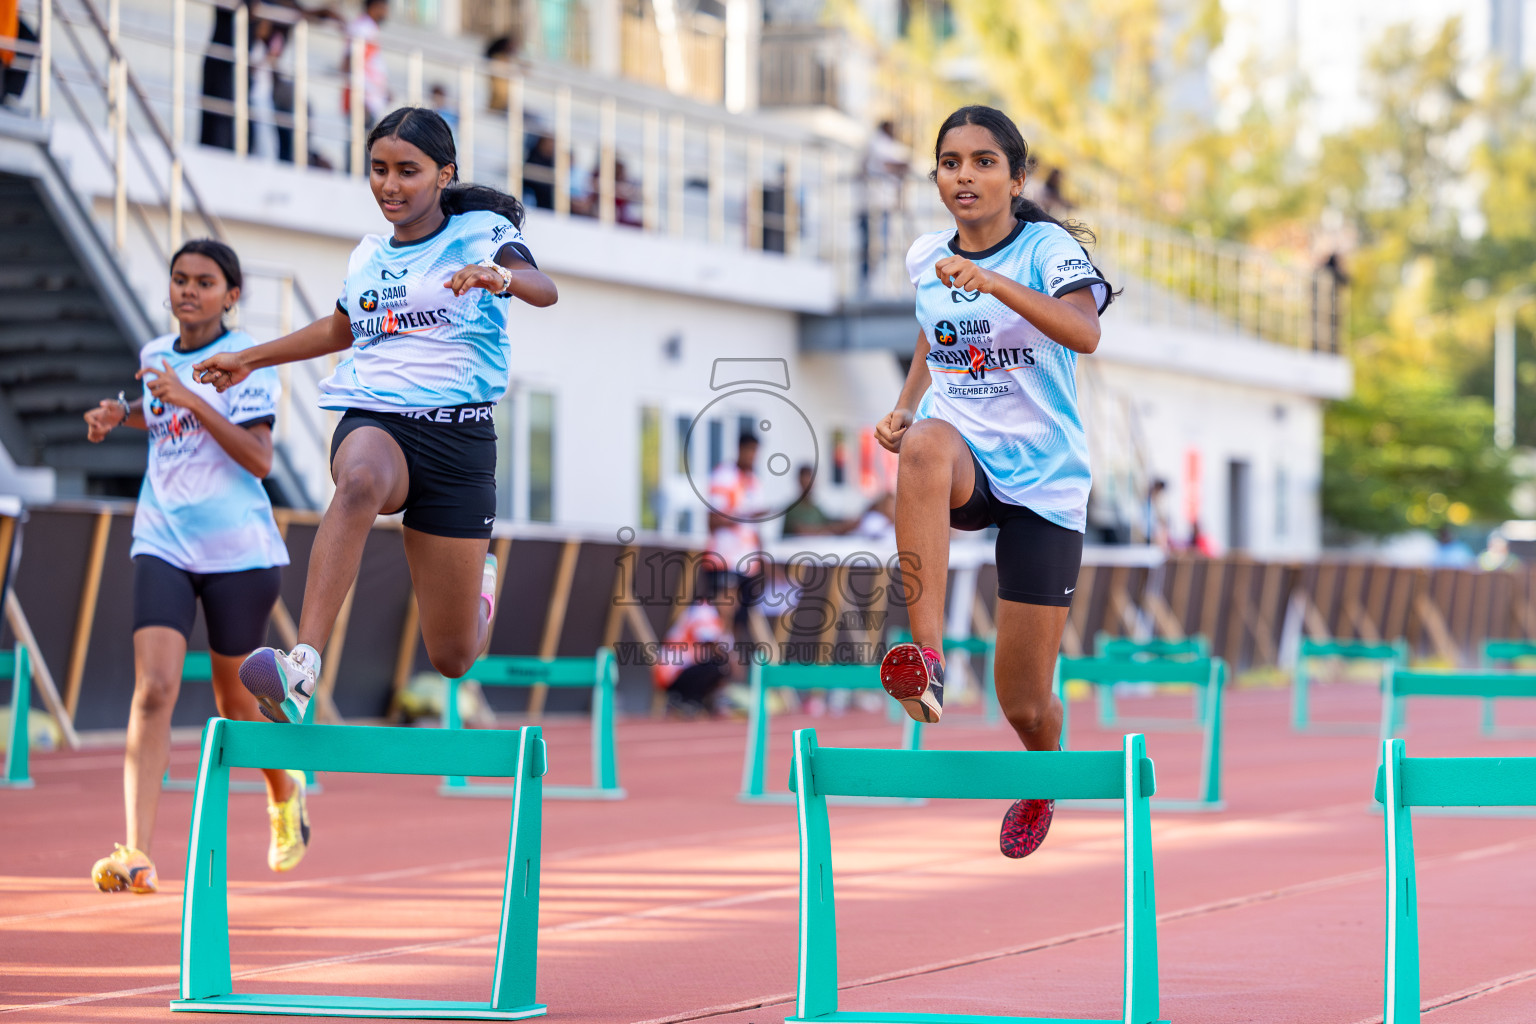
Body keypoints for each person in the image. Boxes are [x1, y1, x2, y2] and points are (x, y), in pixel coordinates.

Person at [193, 107, 557, 724]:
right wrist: (250, 358)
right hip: (378, 418)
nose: (390, 185)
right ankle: (301, 668)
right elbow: (342, 326)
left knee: (453, 656)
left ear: (444, 175)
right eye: (379, 170)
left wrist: (498, 277)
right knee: (357, 481)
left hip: (460, 439)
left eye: (407, 172)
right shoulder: (368, 257)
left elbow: (541, 286)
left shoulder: (479, 231)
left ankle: (480, 591)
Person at [874, 105, 1113, 860]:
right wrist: (906, 404)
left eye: (982, 162)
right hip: (967, 455)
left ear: (1015, 176)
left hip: (1043, 484)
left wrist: (995, 283)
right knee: (919, 449)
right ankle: (929, 660)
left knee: (1024, 700)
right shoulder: (925, 257)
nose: (964, 176)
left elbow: (1086, 333)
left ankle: (1044, 780)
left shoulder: (1045, 248)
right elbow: (931, 326)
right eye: (950, 162)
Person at [81, 240, 304, 894]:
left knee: (236, 704)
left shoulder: (248, 364)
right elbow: (161, 422)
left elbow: (259, 460)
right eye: (180, 279)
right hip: (163, 539)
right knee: (154, 688)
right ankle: (137, 853)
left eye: (204, 282)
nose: (188, 291)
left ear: (231, 295)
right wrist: (121, 415)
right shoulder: (154, 355)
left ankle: (284, 792)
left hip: (239, 552)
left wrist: (191, 397)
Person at [707, 432, 767, 632]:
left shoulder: (753, 481)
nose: (752, 456)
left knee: (740, 620)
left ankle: (732, 661)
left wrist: (762, 555)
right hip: (725, 559)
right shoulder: (724, 476)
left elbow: (756, 526)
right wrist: (745, 515)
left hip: (748, 563)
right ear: (740, 449)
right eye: (750, 451)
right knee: (723, 615)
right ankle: (723, 661)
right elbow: (713, 521)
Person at [859, 119, 909, 285]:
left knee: (881, 243)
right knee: (874, 243)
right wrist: (904, 165)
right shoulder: (878, 142)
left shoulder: (879, 143)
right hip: (875, 202)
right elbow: (886, 164)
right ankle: (871, 280)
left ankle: (874, 278)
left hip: (881, 201)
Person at [342, 0, 391, 137]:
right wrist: (359, 97)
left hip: (369, 99)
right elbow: (350, 63)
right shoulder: (363, 28)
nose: (386, 13)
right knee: (360, 147)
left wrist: (383, 90)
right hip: (363, 100)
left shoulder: (368, 28)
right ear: (374, 7)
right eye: (384, 8)